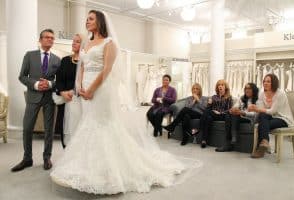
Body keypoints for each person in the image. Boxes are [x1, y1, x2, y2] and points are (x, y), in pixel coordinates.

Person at [50, 10, 199, 195]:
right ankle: (88, 166)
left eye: (90, 19)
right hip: (85, 90)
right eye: (86, 18)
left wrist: (91, 90)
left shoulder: (109, 43)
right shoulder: (87, 43)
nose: (86, 21)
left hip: (101, 90)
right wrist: (80, 86)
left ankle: (110, 171)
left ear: (100, 22)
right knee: (88, 124)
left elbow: (106, 70)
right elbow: (82, 67)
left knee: (102, 125)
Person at [11, 29, 61, 172]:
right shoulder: (29, 55)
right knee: (27, 128)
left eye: (52, 38)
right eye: (46, 37)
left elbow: (60, 81)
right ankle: (27, 159)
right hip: (33, 97)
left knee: (49, 130)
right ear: (40, 40)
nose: (50, 40)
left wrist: (50, 84)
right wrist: (36, 84)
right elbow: (22, 76)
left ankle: (47, 157)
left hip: (49, 98)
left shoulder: (57, 60)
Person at [249, 74, 294, 158]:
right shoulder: (262, 93)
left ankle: (262, 146)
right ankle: (265, 143)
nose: (265, 83)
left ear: (274, 83)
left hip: (283, 118)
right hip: (270, 116)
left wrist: (256, 109)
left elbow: (273, 111)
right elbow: (262, 109)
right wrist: (254, 108)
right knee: (263, 116)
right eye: (264, 81)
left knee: (262, 124)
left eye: (268, 81)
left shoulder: (280, 94)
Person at [54, 34, 82, 148]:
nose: (73, 43)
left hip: (81, 101)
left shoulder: (87, 62)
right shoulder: (65, 60)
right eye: (73, 41)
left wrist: (75, 92)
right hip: (66, 101)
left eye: (77, 41)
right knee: (66, 133)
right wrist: (62, 92)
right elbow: (59, 80)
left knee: (81, 132)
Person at [215, 83, 259, 152]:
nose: (247, 90)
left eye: (249, 88)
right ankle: (230, 140)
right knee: (229, 114)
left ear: (254, 90)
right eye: (246, 88)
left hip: (250, 119)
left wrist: (242, 112)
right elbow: (235, 106)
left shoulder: (258, 100)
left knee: (234, 115)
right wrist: (233, 109)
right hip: (239, 117)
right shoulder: (242, 98)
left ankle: (232, 137)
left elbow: (256, 114)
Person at [201, 80, 233, 148]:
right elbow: (208, 108)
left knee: (207, 114)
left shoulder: (229, 97)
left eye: (222, 85)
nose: (220, 86)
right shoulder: (214, 97)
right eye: (219, 85)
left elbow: (230, 110)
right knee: (208, 118)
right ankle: (204, 140)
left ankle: (199, 127)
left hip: (223, 116)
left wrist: (220, 112)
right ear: (217, 87)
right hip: (213, 115)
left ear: (225, 87)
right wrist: (209, 103)